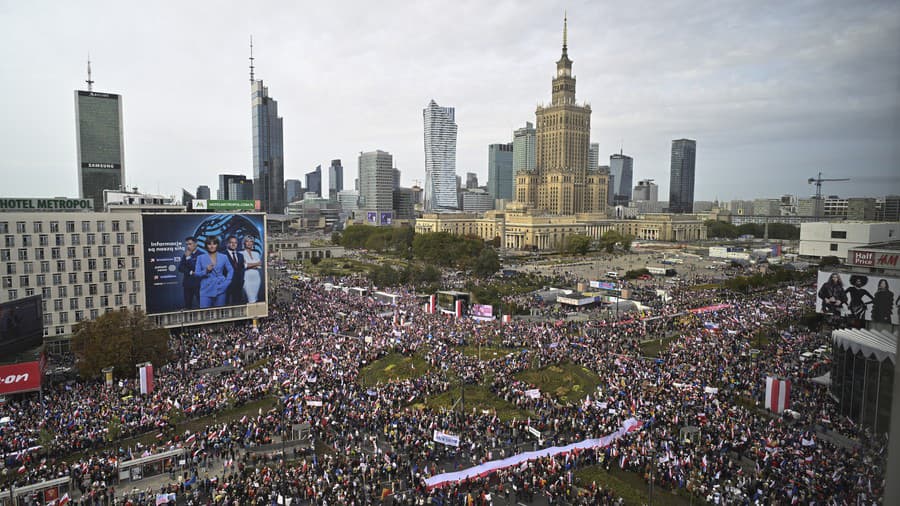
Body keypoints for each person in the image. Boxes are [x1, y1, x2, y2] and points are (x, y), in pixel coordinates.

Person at [194, 237, 232, 308]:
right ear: (206, 245)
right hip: (205, 289)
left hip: (220, 288)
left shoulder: (224, 257)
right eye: (209, 244)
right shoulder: (200, 257)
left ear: (217, 245)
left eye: (214, 244)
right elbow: (196, 274)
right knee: (205, 313)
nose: (212, 246)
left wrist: (227, 282)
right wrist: (206, 271)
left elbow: (231, 270)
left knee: (220, 313)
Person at [177, 236, 204, 309]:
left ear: (195, 244)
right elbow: (180, 268)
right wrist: (190, 272)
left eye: (190, 244)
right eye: (187, 244)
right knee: (187, 306)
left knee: (202, 305)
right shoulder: (185, 254)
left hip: (198, 284)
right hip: (187, 284)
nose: (188, 246)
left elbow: (197, 268)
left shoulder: (202, 254)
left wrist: (188, 258)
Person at [223, 236, 245, 306]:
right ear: (227, 244)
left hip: (238, 285)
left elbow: (242, 270)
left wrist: (242, 281)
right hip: (226, 285)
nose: (233, 244)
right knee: (225, 305)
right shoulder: (222, 255)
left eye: (235, 243)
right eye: (231, 242)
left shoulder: (240, 256)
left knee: (238, 305)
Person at [240, 236, 263, 303]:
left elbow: (259, 265)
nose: (249, 243)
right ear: (244, 243)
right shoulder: (241, 253)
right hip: (247, 278)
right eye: (247, 241)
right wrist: (256, 264)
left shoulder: (256, 253)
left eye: (251, 241)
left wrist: (249, 265)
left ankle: (255, 312)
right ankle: (253, 312)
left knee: (255, 298)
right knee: (251, 299)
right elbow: (244, 266)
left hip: (256, 277)